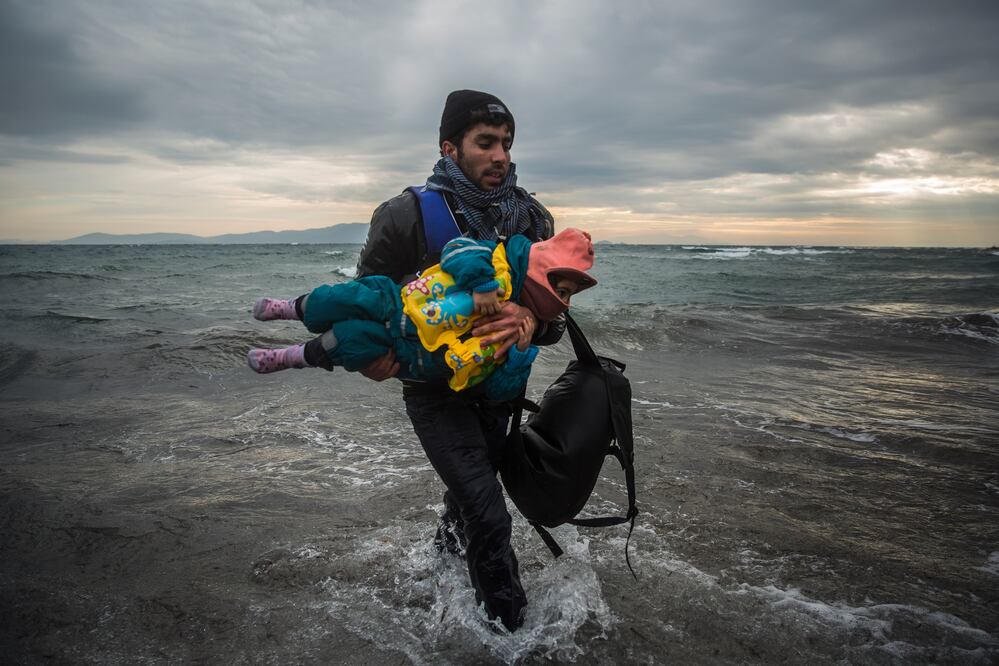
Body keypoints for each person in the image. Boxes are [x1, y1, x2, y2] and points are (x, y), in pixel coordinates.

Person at [350, 90, 564, 631]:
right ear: (449, 148)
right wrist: (371, 357)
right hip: (435, 396)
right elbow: (364, 306)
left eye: (506, 144)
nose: (500, 156)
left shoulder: (533, 221)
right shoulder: (404, 216)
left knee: (469, 498)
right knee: (489, 512)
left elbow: (558, 320)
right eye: (485, 143)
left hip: (502, 390)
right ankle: (510, 635)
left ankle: (439, 568)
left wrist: (532, 319)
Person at [246, 228, 597, 405]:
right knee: (344, 298)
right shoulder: (497, 260)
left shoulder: (517, 331)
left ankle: (291, 357)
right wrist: (483, 284)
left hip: (412, 356)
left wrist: (520, 354)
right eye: (561, 290)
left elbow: (498, 392)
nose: (563, 303)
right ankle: (291, 307)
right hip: (397, 303)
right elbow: (457, 249)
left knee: (348, 341)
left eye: (569, 295)